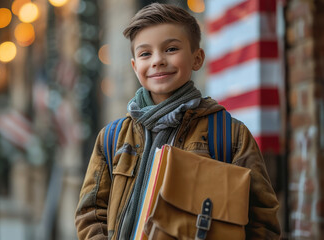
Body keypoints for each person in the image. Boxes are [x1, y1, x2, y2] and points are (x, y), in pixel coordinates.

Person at [75, 3, 280, 239]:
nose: (157, 60)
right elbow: (90, 213)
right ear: (134, 67)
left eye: (171, 49)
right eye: (145, 53)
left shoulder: (229, 135)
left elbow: (262, 221)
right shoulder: (112, 139)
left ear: (197, 58)